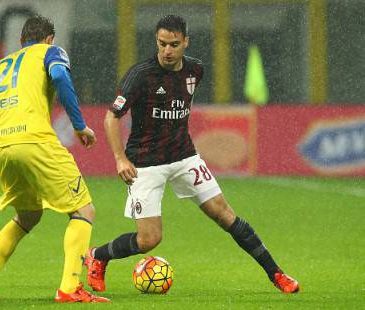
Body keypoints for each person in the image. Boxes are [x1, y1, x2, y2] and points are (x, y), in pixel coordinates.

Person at [84, 15, 299, 294]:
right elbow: (111, 118)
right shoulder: (140, 75)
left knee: (225, 215)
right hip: (145, 163)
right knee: (149, 239)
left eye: (174, 44)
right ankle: (98, 256)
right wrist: (120, 158)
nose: (167, 51)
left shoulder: (195, 71)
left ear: (186, 42)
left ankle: (277, 275)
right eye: (162, 44)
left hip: (185, 157)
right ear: (156, 42)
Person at [0, 15, 109, 303]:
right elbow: (61, 77)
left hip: (0, 147)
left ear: (20, 41)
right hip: (34, 140)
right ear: (50, 38)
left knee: (28, 215)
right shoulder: (51, 52)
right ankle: (69, 288)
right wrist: (79, 125)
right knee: (83, 211)